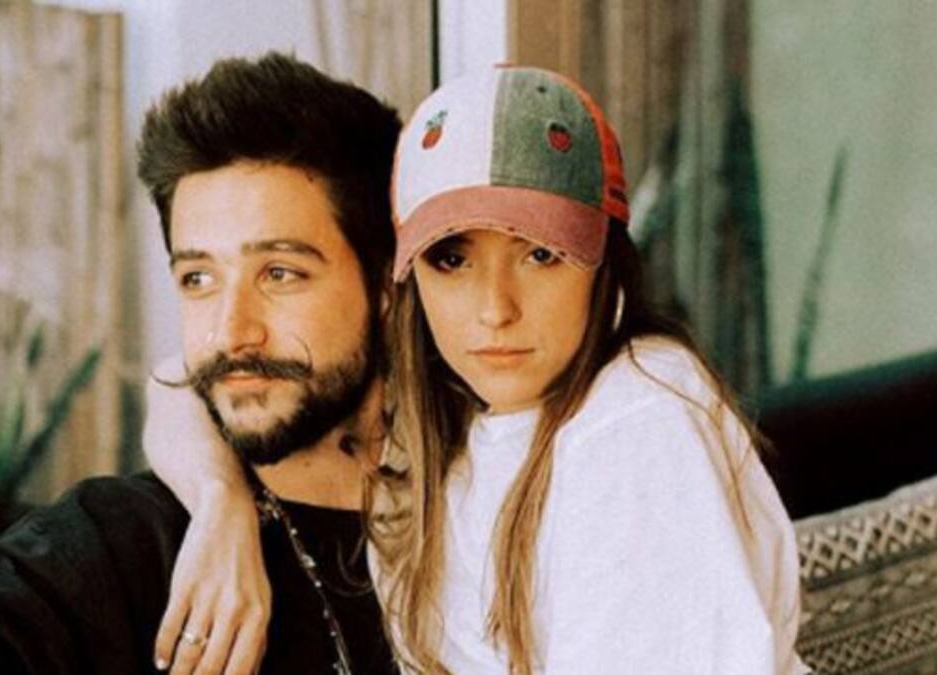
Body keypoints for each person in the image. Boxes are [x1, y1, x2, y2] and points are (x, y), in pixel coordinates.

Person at [146, 65, 809, 674]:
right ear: (403, 283)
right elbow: (188, 377)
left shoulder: (636, 426)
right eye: (453, 260)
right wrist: (220, 504)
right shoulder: (451, 398)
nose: (495, 310)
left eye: (540, 254)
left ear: (605, 263)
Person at [0, 52, 401, 675]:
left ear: (387, 283)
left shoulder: (461, 505)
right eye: (198, 278)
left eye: (279, 273)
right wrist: (217, 503)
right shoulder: (132, 542)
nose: (230, 332)